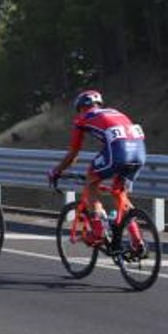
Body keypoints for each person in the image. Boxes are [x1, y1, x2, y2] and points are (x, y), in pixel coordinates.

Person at [48, 89, 146, 241]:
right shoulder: (115, 112)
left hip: (119, 152)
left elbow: (73, 153)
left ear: (81, 107)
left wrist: (57, 171)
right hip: (139, 153)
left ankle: (99, 232)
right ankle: (138, 242)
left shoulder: (83, 118)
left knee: (91, 182)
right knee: (119, 193)